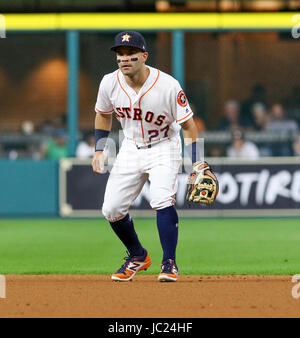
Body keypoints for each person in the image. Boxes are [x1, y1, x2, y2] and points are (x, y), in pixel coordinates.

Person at [92, 31, 212, 282]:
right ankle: (137, 255)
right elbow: (103, 114)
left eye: (130, 54)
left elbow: (189, 126)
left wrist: (198, 162)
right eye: (120, 54)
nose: (124, 59)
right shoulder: (109, 82)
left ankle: (169, 263)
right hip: (130, 146)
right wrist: (100, 149)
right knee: (111, 209)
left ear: (144, 56)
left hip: (164, 146)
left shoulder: (168, 85)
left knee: (161, 200)